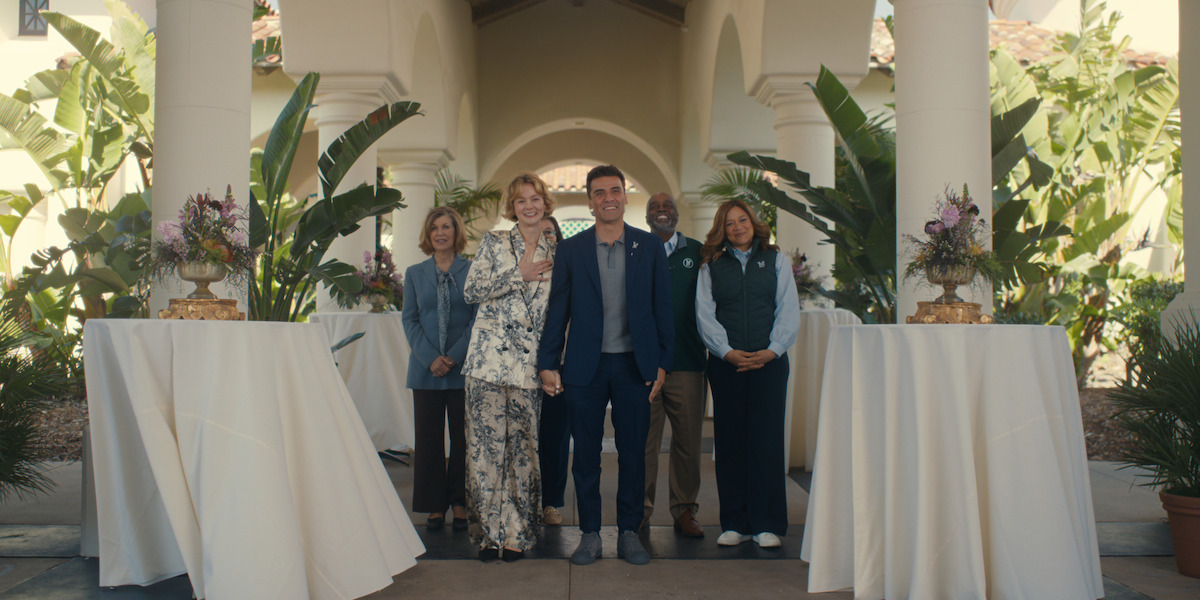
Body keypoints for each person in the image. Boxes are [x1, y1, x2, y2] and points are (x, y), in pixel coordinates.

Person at [538, 164, 673, 566]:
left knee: (634, 453)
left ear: (625, 196)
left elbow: (662, 308)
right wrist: (548, 362)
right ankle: (591, 534)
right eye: (599, 192)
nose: (608, 198)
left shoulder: (649, 247)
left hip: (636, 367)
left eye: (615, 190)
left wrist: (663, 362)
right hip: (585, 367)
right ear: (590, 200)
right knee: (586, 457)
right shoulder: (572, 249)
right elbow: (557, 309)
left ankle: (630, 532)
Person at [461, 173, 556, 562]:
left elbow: (558, 312)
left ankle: (516, 533)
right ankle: (488, 534)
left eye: (535, 199)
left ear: (545, 203)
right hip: (485, 364)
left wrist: (554, 363)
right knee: (484, 450)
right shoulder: (495, 242)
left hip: (529, 368)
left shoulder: (558, 250)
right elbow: (471, 292)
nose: (529, 206)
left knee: (522, 451)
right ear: (512, 208)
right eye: (521, 201)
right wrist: (518, 273)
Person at [695, 199, 799, 549]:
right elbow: (705, 314)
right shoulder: (711, 265)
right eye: (728, 223)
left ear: (754, 223)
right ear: (720, 230)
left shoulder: (776, 261)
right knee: (730, 441)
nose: (737, 227)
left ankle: (766, 523)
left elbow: (787, 309)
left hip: (770, 363)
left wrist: (772, 350)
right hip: (727, 365)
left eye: (742, 220)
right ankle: (735, 522)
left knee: (766, 441)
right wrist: (726, 352)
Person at [401, 206, 476, 533]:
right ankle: (433, 504)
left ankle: (460, 501)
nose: (441, 233)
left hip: (462, 370)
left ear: (456, 232)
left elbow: (477, 319)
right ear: (428, 235)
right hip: (425, 370)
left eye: (447, 227)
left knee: (462, 439)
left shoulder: (472, 270)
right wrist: (431, 357)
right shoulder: (415, 274)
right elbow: (410, 319)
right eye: (435, 228)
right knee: (429, 439)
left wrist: (454, 356)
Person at [641, 192, 706, 537]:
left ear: (678, 214)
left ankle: (684, 510)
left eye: (667, 207)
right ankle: (640, 511)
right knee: (643, 443)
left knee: (687, 441)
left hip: (688, 362)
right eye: (655, 207)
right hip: (644, 367)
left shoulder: (697, 253)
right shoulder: (636, 248)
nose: (661, 211)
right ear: (647, 215)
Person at [537, 216, 570, 527]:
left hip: (559, 364)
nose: (544, 235)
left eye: (550, 231)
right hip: (519, 365)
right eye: (539, 230)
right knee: (522, 437)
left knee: (555, 436)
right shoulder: (519, 267)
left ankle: (550, 503)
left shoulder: (566, 270)